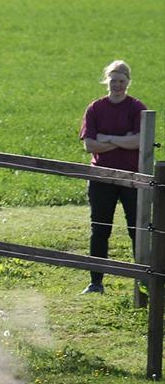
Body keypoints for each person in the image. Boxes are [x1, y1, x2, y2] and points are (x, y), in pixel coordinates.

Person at [78, 59, 147, 294]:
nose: (117, 85)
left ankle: (144, 281)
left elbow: (140, 141)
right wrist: (123, 140)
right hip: (101, 176)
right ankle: (95, 282)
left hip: (131, 177)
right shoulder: (95, 108)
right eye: (113, 80)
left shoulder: (137, 108)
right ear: (106, 81)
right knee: (100, 228)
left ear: (128, 82)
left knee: (136, 229)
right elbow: (89, 145)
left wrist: (107, 139)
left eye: (121, 81)